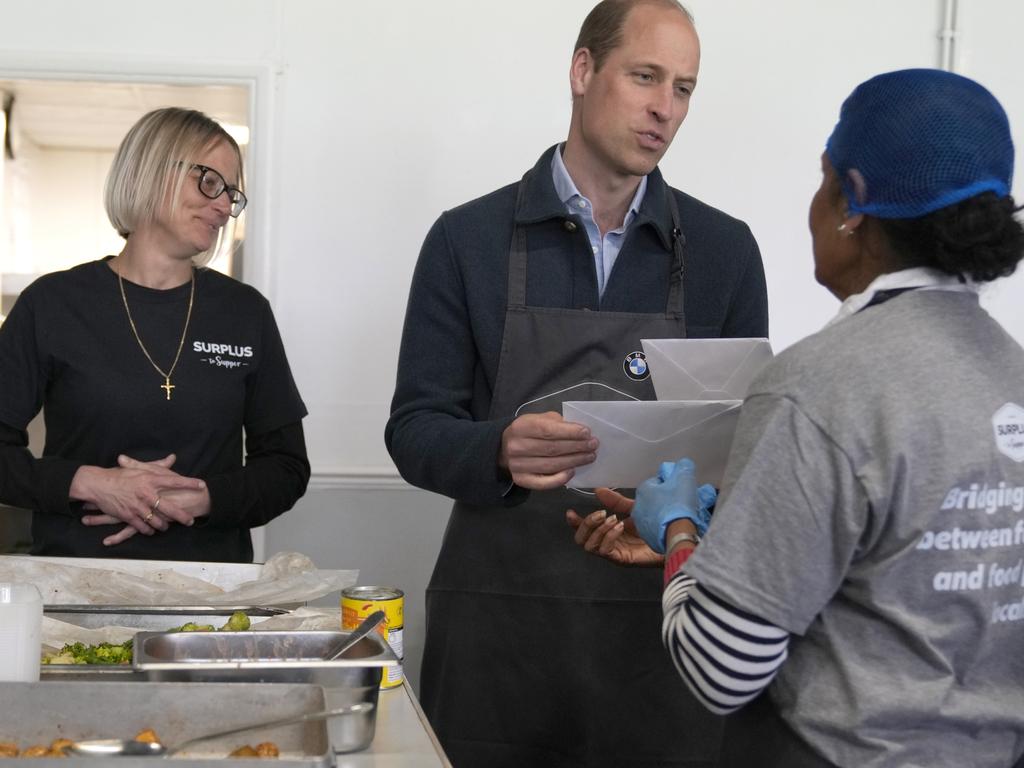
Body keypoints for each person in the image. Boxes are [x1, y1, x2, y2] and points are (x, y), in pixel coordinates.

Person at [570, 68, 1024, 767]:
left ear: (852, 203)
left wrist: (684, 532)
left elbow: (721, 665)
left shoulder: (821, 386)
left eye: (823, 180)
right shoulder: (1012, 375)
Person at [385, 0, 768, 764]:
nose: (665, 108)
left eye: (684, 89)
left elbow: (746, 447)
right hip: (500, 627)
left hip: (661, 628)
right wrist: (499, 451)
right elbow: (415, 428)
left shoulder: (725, 251)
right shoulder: (468, 239)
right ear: (583, 69)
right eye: (645, 77)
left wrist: (683, 514)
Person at [0, 107, 309, 562]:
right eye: (209, 182)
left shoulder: (245, 313)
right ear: (150, 170)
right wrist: (90, 483)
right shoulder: (52, 304)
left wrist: (198, 500)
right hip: (74, 587)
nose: (224, 207)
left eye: (230, 194)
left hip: (211, 595)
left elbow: (286, 468)